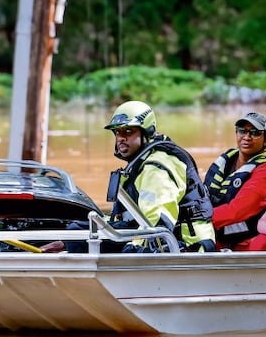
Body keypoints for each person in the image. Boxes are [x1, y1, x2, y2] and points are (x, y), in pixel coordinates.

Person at [41, 100, 216, 253]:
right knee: (76, 232)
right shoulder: (138, 164)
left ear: (147, 132)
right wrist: (69, 241)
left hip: (188, 245)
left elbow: (157, 220)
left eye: (128, 131)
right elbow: (125, 217)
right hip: (149, 234)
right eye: (117, 132)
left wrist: (134, 248)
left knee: (88, 241)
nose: (121, 138)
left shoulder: (157, 167)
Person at [202, 112, 266, 251]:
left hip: (248, 238)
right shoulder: (228, 159)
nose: (247, 137)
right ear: (236, 133)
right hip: (216, 233)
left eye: (255, 133)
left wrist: (197, 219)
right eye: (242, 131)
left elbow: (236, 211)